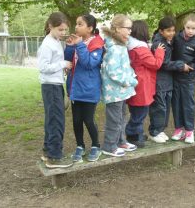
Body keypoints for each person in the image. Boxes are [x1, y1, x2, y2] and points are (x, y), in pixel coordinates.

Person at [64, 14, 104, 163]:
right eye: (76, 24)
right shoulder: (78, 41)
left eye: (80, 24)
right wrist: (69, 46)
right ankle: (80, 146)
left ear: (90, 28)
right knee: (76, 120)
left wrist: (79, 45)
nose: (76, 27)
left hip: (89, 89)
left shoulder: (97, 44)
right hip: (75, 88)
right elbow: (68, 60)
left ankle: (96, 146)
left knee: (88, 119)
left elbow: (88, 64)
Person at [37, 12, 73, 169]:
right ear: (51, 26)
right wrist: (63, 64)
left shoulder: (56, 41)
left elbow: (54, 63)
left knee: (53, 119)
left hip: (56, 84)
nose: (63, 33)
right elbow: (43, 67)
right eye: (60, 29)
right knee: (56, 121)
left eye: (65, 30)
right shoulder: (47, 44)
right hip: (50, 86)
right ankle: (54, 157)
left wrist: (61, 67)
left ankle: (48, 151)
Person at [101, 14, 138, 157]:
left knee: (122, 117)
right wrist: (131, 81)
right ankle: (109, 146)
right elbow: (113, 72)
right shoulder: (114, 48)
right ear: (117, 28)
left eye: (131, 28)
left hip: (121, 91)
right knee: (115, 120)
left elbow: (125, 67)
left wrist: (132, 75)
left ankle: (121, 141)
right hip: (114, 92)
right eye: (127, 28)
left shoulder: (121, 45)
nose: (130, 31)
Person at [126, 20, 165, 148]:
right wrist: (159, 51)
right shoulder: (140, 49)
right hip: (143, 85)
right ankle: (132, 135)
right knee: (140, 113)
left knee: (136, 111)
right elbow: (155, 64)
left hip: (136, 82)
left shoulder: (131, 46)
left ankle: (137, 133)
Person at [149, 16, 184, 143]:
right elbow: (163, 63)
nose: (172, 33)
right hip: (159, 82)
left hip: (168, 81)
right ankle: (154, 131)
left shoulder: (168, 41)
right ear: (161, 31)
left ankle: (160, 129)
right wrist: (180, 65)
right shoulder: (159, 44)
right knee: (159, 107)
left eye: (173, 30)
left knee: (165, 107)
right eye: (168, 31)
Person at [171, 14, 195, 144]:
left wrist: (188, 67)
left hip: (188, 79)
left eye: (193, 28)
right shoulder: (177, 38)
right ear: (184, 27)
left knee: (188, 105)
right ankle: (178, 129)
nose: (190, 31)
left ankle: (189, 131)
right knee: (176, 104)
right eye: (188, 27)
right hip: (175, 77)